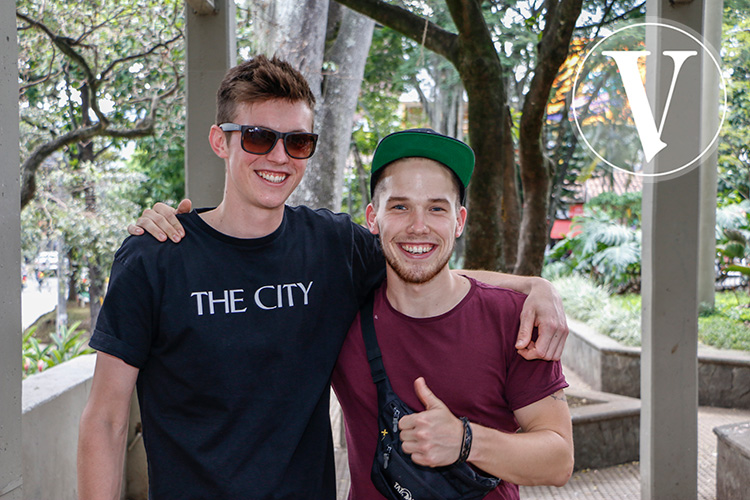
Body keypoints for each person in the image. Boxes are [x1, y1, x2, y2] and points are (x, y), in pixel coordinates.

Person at [79, 55, 567, 500]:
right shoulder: (156, 256)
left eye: (297, 142)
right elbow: (105, 420)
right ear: (219, 141)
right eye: (257, 137)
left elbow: (419, 259)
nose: (278, 157)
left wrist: (533, 286)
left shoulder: (334, 246)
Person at [331, 129, 574, 499]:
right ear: (372, 218)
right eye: (399, 206)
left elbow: (558, 459)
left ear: (459, 221)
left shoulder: (512, 319)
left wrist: (466, 441)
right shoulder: (340, 315)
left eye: (436, 208)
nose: (418, 226)